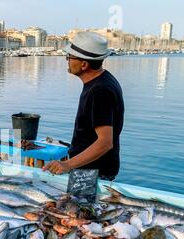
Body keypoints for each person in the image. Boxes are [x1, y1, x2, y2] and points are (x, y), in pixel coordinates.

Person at [43, 31, 125, 181]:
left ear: (84, 64)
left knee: (77, 205)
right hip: (92, 169)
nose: (67, 60)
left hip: (93, 174)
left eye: (70, 57)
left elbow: (105, 142)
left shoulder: (99, 91)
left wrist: (68, 164)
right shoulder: (104, 80)